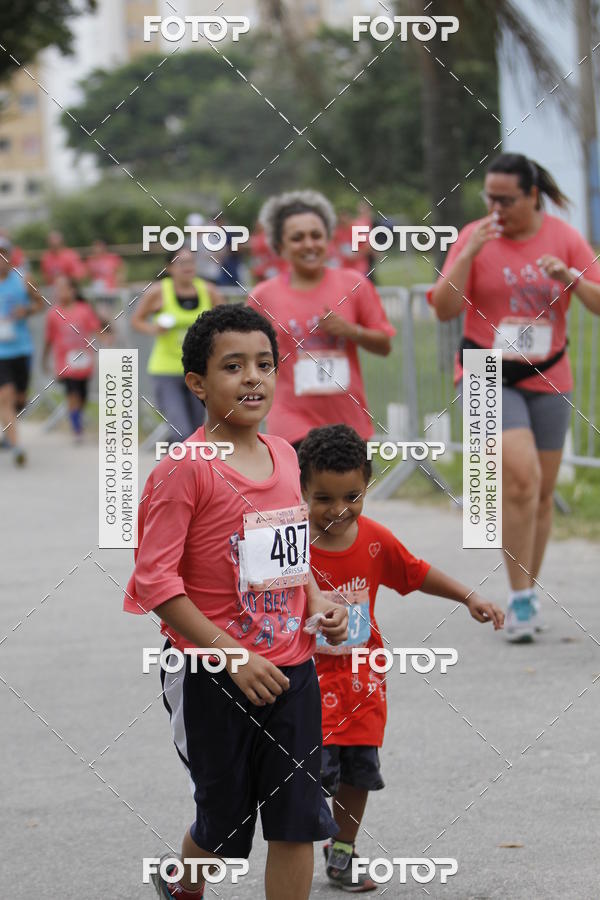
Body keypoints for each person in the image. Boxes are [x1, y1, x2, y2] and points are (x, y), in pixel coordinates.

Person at [124, 304, 348, 900]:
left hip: (291, 670)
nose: (254, 377)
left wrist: (319, 600)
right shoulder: (185, 471)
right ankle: (184, 881)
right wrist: (230, 655)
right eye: (233, 366)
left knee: (298, 818)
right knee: (224, 821)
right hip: (210, 673)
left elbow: (291, 555)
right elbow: (155, 582)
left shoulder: (285, 455)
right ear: (196, 382)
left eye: (265, 364)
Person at [298, 424, 504, 891]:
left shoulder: (373, 539)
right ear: (302, 491)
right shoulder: (290, 546)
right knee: (312, 777)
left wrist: (468, 596)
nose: (338, 510)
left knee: (358, 773)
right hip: (306, 682)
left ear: (368, 484)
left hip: (362, 683)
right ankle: (297, 852)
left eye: (352, 495)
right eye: (323, 498)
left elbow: (414, 572)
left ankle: (343, 851)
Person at [429, 153, 600, 643]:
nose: (497, 208)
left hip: (549, 372)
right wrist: (466, 254)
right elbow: (442, 309)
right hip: (483, 370)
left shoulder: (563, 237)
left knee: (540, 493)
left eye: (507, 199)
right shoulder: (475, 234)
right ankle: (518, 591)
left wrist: (570, 276)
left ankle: (525, 594)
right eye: (490, 198)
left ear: (532, 196)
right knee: (518, 477)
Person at [250, 190, 395, 448]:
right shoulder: (263, 297)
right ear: (280, 247)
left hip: (348, 421)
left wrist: (351, 331)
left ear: (328, 240)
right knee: (302, 484)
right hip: (290, 418)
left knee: (346, 489)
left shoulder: (354, 284)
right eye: (297, 238)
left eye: (316, 236)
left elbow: (384, 345)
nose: (309, 244)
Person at [130, 247, 223, 443]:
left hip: (199, 370)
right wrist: (154, 328)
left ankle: (181, 469)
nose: (187, 267)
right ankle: (175, 466)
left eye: (191, 262)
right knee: (181, 430)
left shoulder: (208, 290)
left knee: (197, 432)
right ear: (169, 267)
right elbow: (136, 321)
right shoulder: (158, 292)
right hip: (166, 370)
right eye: (182, 263)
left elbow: (224, 321)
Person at [42, 275, 108, 441]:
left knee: (83, 395)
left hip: (84, 361)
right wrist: (44, 359)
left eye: (64, 288)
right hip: (64, 362)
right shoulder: (53, 314)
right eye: (57, 289)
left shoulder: (84, 309)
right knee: (72, 394)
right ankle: (76, 428)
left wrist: (106, 340)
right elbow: (48, 339)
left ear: (73, 290)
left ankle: (77, 416)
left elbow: (96, 329)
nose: (60, 292)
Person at [0, 237, 44, 465]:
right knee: (4, 398)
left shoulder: (23, 279)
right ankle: (17, 446)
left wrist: (25, 310)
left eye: (3, 253)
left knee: (19, 400)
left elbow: (40, 303)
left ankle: (9, 429)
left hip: (21, 348)